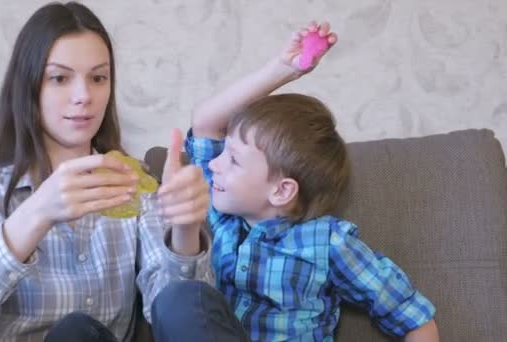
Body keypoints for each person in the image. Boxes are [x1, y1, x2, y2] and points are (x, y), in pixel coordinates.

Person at [0, 2, 222, 341]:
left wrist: (186, 230)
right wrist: (36, 215)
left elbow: (176, 313)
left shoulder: (133, 184)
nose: (84, 96)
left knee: (155, 308)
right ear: (28, 87)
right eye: (59, 78)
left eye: (98, 78)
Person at [186, 22, 440, 341]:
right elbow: (205, 122)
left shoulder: (327, 242)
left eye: (233, 159)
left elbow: (412, 316)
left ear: (281, 191)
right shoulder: (224, 216)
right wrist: (282, 69)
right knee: (184, 304)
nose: (213, 164)